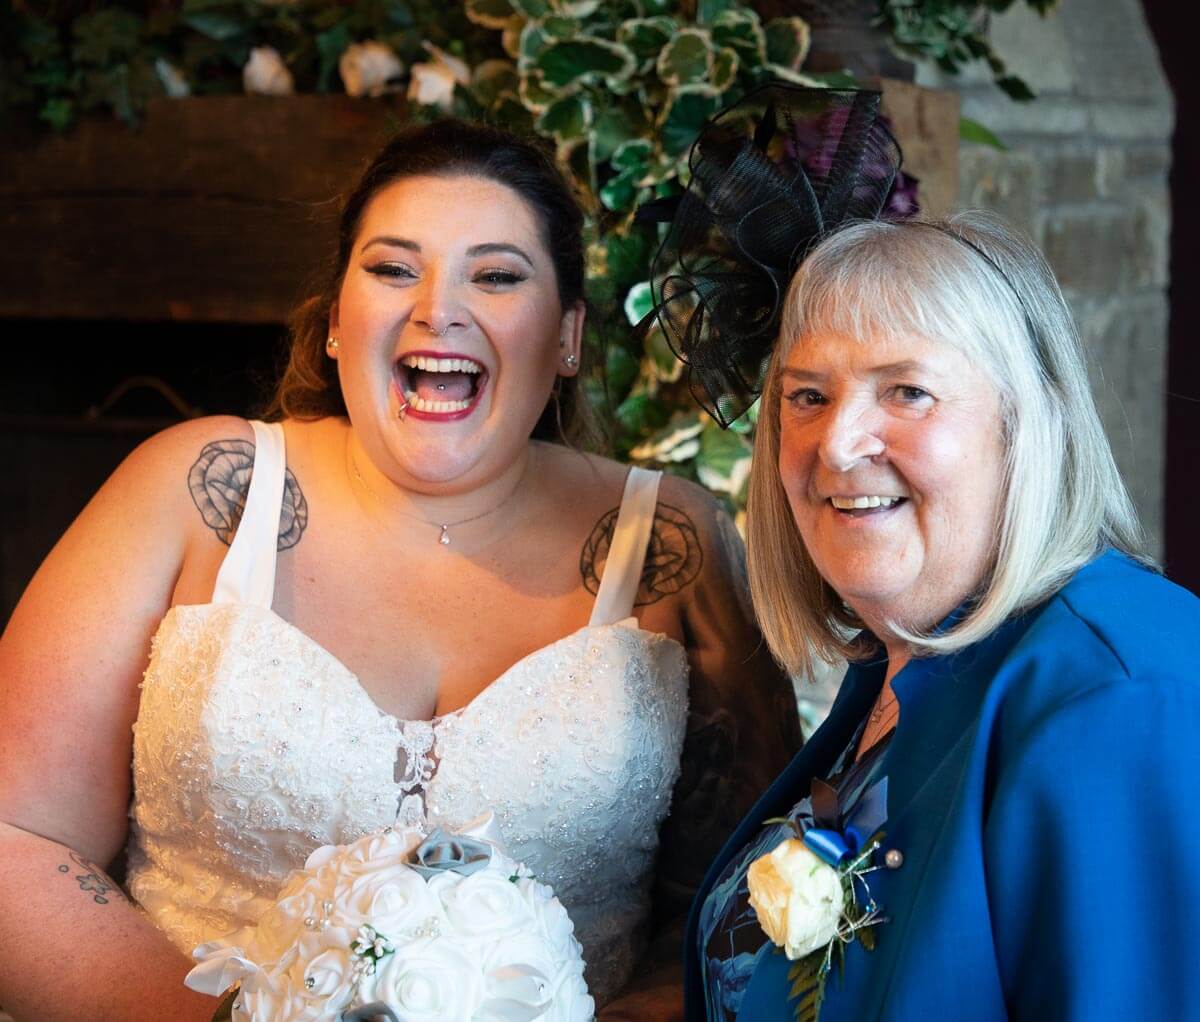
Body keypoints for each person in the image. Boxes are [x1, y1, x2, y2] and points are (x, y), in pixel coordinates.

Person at [0, 119, 801, 1021]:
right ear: (336, 323)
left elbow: (747, 903)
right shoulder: (199, 491)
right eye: (392, 269)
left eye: (496, 276)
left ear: (568, 336)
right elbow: (16, 836)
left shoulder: (671, 548)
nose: (436, 310)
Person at [640, 85, 1200, 1021]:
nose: (837, 443)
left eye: (906, 391)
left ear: (1025, 425)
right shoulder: (899, 668)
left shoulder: (1117, 694)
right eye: (807, 396)